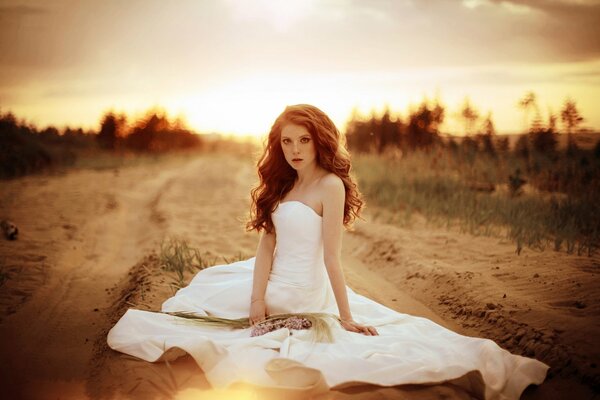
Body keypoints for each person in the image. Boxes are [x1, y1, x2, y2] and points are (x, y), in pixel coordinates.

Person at [107, 104, 548, 398]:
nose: (295, 150)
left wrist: (346, 316)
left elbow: (333, 257)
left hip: (306, 291)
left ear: (320, 141)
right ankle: (259, 302)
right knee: (207, 304)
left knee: (291, 329)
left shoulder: (330, 186)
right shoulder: (283, 184)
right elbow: (265, 247)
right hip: (272, 284)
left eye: (303, 140)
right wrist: (257, 298)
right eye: (286, 142)